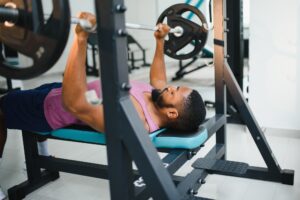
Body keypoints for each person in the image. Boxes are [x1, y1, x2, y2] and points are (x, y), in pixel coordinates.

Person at [0, 12, 206, 181]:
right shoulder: (157, 97)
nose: (170, 87)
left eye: (175, 92)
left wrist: (80, 38)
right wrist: (160, 41)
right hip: (57, 89)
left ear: (171, 113)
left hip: (49, 109)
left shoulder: (135, 118)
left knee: (1, 109)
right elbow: (159, 79)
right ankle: (41, 158)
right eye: (175, 87)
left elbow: (75, 104)